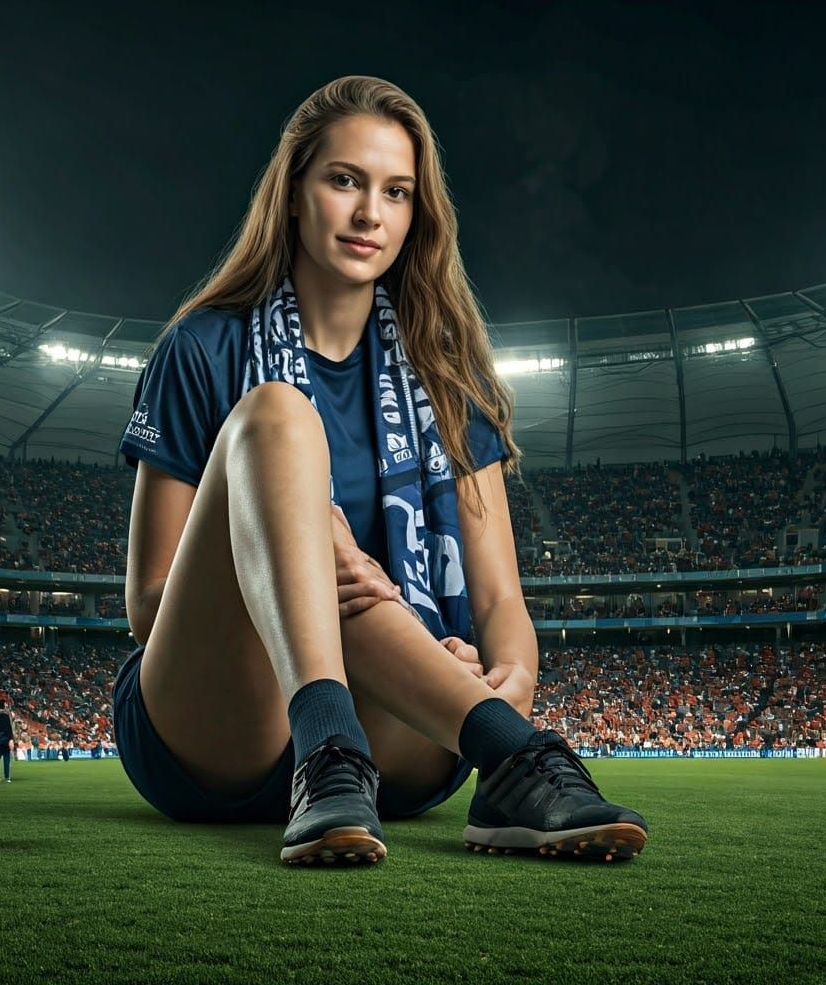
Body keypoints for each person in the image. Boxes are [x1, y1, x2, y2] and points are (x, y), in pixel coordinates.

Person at [114, 75, 648, 866]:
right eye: (344, 181)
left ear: (416, 215)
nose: (371, 213)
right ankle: (507, 754)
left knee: (421, 625)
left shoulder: (447, 376)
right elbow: (151, 607)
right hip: (218, 726)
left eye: (397, 192)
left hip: (396, 744)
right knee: (277, 416)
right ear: (293, 194)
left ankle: (471, 731)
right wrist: (315, 557)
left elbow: (499, 597)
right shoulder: (202, 349)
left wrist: (510, 675)